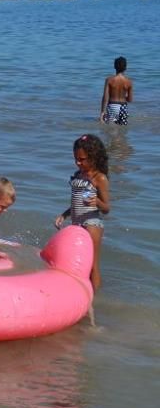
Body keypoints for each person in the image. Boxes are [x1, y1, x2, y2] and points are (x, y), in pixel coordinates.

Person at [55, 134, 109, 289]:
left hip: (92, 223)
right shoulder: (79, 175)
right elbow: (77, 201)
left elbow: (106, 208)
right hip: (76, 222)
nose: (78, 162)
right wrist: (64, 215)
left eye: (82, 159)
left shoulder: (100, 178)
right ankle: (78, 293)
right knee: (76, 264)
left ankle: (93, 302)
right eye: (76, 159)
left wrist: (97, 202)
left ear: (94, 157)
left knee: (92, 266)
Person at [101, 56, 133, 125]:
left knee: (111, 131)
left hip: (112, 106)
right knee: (122, 131)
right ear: (125, 68)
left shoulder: (109, 80)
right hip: (123, 107)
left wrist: (102, 112)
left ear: (114, 66)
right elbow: (130, 100)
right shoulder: (129, 81)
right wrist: (124, 95)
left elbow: (105, 97)